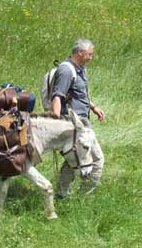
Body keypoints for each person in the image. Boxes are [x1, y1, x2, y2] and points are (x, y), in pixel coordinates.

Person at [51, 38, 105, 196]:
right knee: (96, 159)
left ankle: (62, 193)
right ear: (80, 53)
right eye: (89, 54)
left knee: (73, 161)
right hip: (75, 124)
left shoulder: (80, 69)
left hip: (83, 121)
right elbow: (57, 97)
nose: (91, 57)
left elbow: (80, 94)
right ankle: (83, 196)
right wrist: (55, 123)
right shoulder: (67, 70)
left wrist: (93, 107)